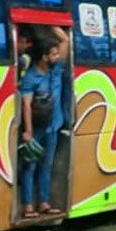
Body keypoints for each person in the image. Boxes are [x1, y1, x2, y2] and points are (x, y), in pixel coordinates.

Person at [19, 26, 70, 218]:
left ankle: (44, 203)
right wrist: (28, 131)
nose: (57, 56)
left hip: (54, 126)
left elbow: (65, 40)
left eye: (57, 53)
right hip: (36, 129)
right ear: (44, 57)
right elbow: (26, 104)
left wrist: (50, 24)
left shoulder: (55, 70)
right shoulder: (31, 77)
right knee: (30, 166)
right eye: (53, 54)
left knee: (46, 166)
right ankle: (27, 205)